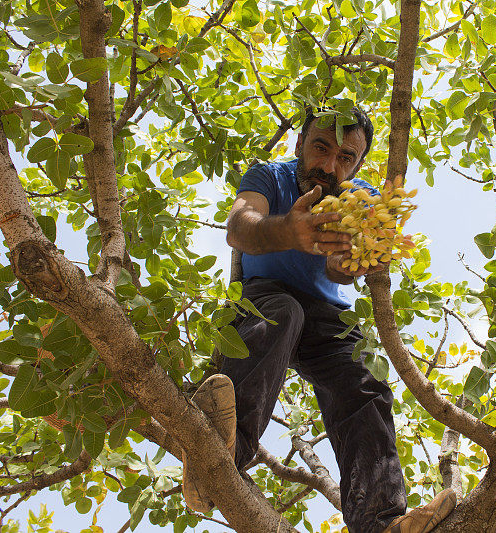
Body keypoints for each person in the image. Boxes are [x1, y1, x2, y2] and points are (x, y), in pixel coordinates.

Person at [183, 108, 456, 533]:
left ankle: (380, 522)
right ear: (299, 146)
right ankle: (215, 461)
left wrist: (350, 261)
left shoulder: (360, 196)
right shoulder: (268, 177)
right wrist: (289, 231)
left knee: (363, 385)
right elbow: (239, 226)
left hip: (328, 317)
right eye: (321, 148)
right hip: (264, 299)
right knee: (281, 313)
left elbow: (339, 271)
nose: (330, 165)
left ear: (358, 165)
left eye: (345, 157)